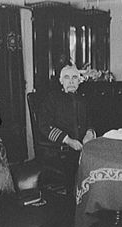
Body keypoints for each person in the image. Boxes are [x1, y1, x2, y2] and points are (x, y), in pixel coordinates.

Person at [38, 64, 96, 195]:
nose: (71, 81)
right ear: (61, 81)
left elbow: (90, 122)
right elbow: (44, 125)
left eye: (74, 77)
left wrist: (89, 133)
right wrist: (68, 140)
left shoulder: (83, 100)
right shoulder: (52, 99)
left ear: (79, 81)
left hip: (83, 147)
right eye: (67, 78)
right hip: (60, 150)